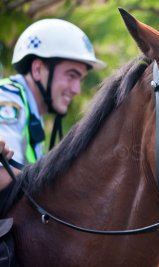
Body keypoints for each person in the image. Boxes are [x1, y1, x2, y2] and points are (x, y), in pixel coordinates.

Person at [0, 18, 105, 203]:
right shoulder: (8, 101)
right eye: (71, 75)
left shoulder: (30, 109)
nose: (76, 89)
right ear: (38, 70)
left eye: (80, 80)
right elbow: (3, 177)